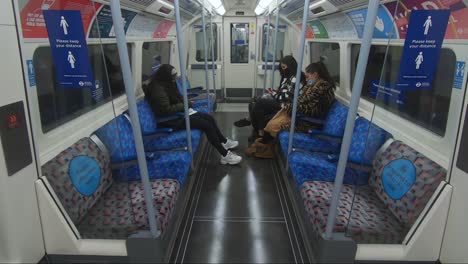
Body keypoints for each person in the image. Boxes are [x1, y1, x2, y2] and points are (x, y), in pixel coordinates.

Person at [144, 64, 242, 165]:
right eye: (173, 76)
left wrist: (186, 103)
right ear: (165, 76)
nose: (174, 78)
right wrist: (184, 105)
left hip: (178, 114)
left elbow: (177, 97)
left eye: (175, 75)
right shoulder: (157, 89)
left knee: (208, 118)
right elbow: (165, 109)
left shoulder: (167, 84)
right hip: (169, 120)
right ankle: (225, 155)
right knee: (205, 125)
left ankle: (224, 142)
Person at [245, 61, 336, 158]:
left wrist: (290, 107)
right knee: (268, 116)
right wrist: (290, 106)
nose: (306, 79)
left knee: (271, 121)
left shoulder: (321, 89)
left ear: (315, 74)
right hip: (300, 114)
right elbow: (301, 101)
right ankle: (264, 144)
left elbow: (312, 110)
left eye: (308, 76)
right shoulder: (313, 86)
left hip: (308, 122)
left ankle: (265, 146)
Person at [234, 55, 305, 142]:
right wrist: (275, 92)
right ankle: (256, 129)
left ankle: (255, 127)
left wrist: (274, 93)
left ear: (290, 66)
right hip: (280, 100)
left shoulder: (296, 78)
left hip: (286, 105)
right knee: (255, 101)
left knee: (260, 102)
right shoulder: (287, 77)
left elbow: (287, 97)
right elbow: (282, 91)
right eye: (281, 67)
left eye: (284, 67)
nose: (283, 69)